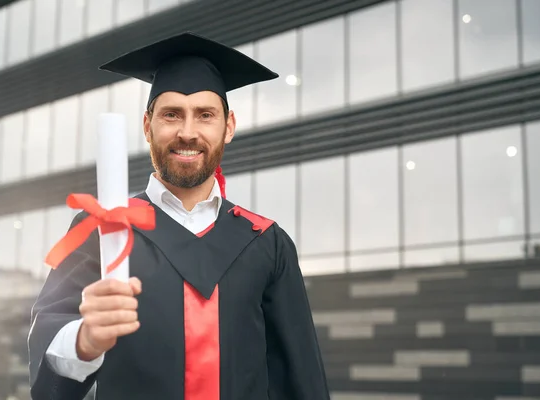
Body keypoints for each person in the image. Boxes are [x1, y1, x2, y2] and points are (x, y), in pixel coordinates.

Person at [28, 31, 330, 400]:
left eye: (205, 115)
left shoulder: (267, 243)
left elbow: (300, 379)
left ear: (228, 127)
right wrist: (84, 341)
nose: (187, 132)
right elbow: (47, 358)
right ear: (147, 125)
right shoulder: (102, 230)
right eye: (171, 114)